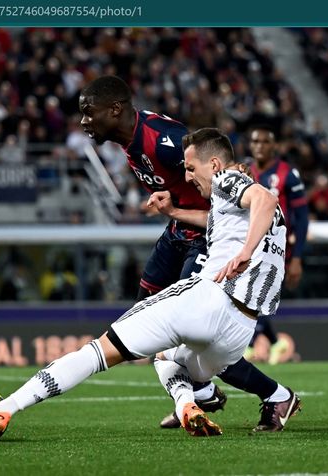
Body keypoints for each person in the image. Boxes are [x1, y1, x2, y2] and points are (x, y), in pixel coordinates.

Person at [0, 128, 301, 441]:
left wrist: (244, 253)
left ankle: (4, 409)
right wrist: (174, 212)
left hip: (208, 299)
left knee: (98, 352)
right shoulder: (233, 203)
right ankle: (209, 397)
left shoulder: (230, 180)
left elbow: (264, 198)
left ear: (216, 165)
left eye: (191, 168)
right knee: (169, 358)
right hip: (239, 327)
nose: (188, 177)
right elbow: (222, 217)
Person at [78, 76, 298, 431]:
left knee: (191, 327)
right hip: (178, 230)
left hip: (205, 238)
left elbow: (215, 163)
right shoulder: (127, 139)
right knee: (142, 310)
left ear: (115, 109)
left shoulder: (162, 141)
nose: (84, 122)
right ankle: (202, 393)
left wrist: (240, 179)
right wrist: (173, 208)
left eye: (89, 114)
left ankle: (217, 393)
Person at [245, 125, 310, 365]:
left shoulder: (287, 174)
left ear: (274, 146)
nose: (259, 146)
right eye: (255, 141)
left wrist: (297, 258)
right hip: (248, 244)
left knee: (256, 296)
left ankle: (251, 346)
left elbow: (302, 218)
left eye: (265, 141)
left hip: (276, 248)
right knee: (250, 296)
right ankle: (273, 342)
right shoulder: (244, 171)